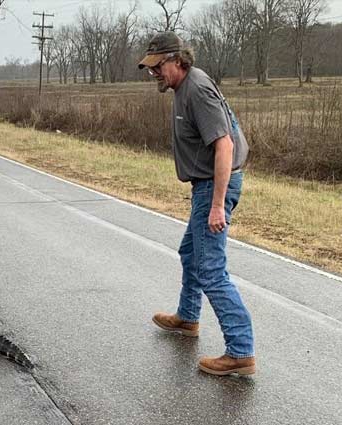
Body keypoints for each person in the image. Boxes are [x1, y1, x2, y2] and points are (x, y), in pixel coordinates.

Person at [138, 32, 255, 376]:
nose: (154, 74)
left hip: (214, 186)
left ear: (177, 60)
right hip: (205, 186)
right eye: (151, 69)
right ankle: (187, 318)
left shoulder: (198, 90)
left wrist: (218, 204)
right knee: (191, 253)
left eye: (157, 66)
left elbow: (225, 146)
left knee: (210, 269)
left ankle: (241, 350)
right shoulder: (182, 87)